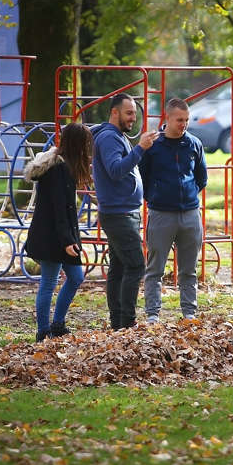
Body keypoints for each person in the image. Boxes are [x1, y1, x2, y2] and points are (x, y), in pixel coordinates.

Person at [92, 93, 159, 329]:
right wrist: (139, 149)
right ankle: (127, 322)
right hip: (118, 214)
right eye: (129, 113)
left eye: (135, 113)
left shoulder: (116, 136)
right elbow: (115, 170)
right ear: (114, 112)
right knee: (135, 265)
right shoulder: (109, 138)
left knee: (119, 266)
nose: (133, 118)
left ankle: (118, 323)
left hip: (123, 211)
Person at [139, 98, 208, 323]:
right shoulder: (153, 146)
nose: (184, 124)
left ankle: (189, 312)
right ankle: (152, 314)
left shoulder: (194, 144)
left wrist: (189, 196)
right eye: (179, 120)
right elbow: (143, 177)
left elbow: (201, 177)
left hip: (190, 213)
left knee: (189, 268)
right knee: (155, 267)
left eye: (186, 120)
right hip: (161, 213)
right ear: (167, 118)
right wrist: (156, 197)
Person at [23, 123, 93, 342]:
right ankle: (44, 331)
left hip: (62, 235)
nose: (88, 148)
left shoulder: (65, 167)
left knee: (75, 277)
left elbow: (66, 208)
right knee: (49, 282)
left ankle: (58, 324)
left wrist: (72, 238)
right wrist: (67, 241)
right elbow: (58, 208)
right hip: (51, 236)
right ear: (76, 144)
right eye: (85, 144)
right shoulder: (58, 170)